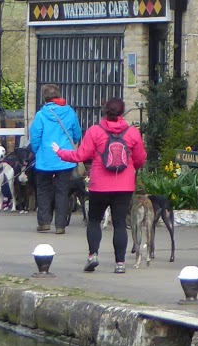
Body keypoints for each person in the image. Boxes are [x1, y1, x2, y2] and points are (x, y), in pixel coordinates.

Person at [54, 96, 146, 274]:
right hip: (124, 186)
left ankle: (92, 256)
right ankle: (120, 263)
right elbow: (140, 157)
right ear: (122, 112)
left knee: (94, 220)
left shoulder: (95, 131)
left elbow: (81, 155)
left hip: (99, 185)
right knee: (119, 224)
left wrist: (60, 153)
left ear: (105, 111)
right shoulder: (132, 132)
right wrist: (132, 168)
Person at [27, 84, 83, 234]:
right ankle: (60, 225)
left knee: (44, 190)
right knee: (62, 191)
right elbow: (77, 134)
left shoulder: (40, 115)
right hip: (65, 159)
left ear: (44, 98)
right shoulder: (70, 112)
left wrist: (37, 151)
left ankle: (44, 222)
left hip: (45, 159)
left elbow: (35, 137)